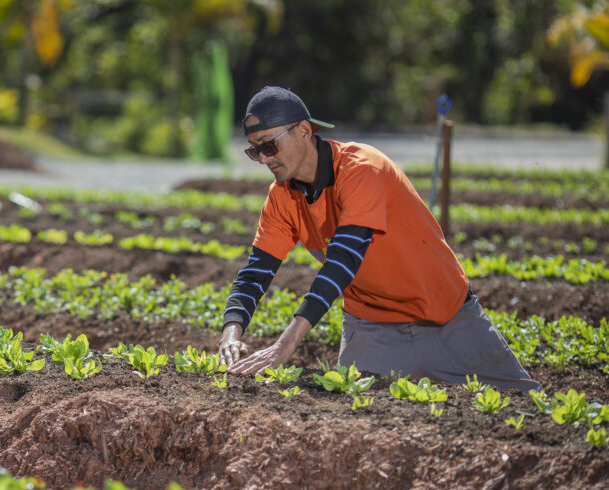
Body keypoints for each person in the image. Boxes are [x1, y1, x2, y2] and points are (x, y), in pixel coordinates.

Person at [218, 86, 540, 392]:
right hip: (371, 329)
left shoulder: (362, 168)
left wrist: (284, 346)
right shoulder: (281, 197)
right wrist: (230, 335)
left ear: (304, 130)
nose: (263, 159)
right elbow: (256, 272)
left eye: (269, 146)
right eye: (254, 150)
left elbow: (343, 259)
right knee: (354, 429)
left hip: (447, 318)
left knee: (526, 409)